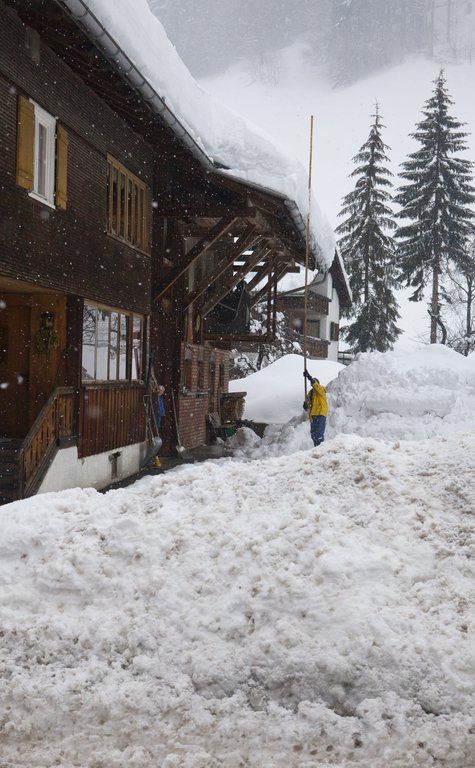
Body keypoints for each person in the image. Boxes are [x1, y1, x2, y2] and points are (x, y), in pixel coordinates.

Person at [303, 369, 328, 447]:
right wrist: (305, 405)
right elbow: (308, 405)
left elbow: (316, 386)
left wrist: (309, 377)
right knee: (313, 434)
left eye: (314, 382)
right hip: (313, 415)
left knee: (319, 434)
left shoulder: (321, 390)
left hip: (320, 413)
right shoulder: (310, 393)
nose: (312, 384)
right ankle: (316, 448)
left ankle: (321, 448)